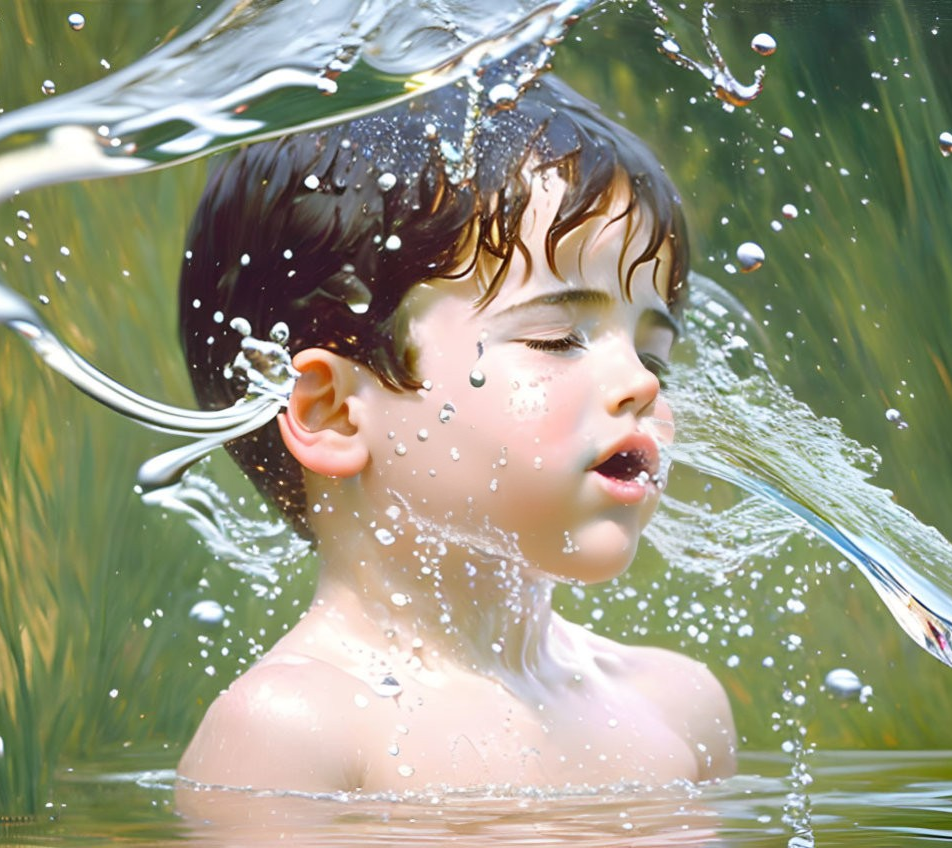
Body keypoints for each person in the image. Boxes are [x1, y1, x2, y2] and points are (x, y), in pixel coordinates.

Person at [176, 72, 736, 794]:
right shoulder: (296, 734)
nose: (641, 384)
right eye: (559, 337)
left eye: (652, 352)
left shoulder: (679, 709)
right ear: (334, 411)